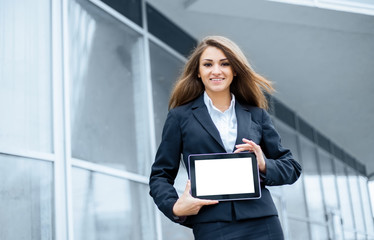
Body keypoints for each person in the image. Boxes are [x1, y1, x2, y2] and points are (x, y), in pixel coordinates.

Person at [149, 36, 302, 240]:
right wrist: (175, 207)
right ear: (198, 71)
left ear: (235, 70)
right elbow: (160, 175)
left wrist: (264, 164)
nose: (216, 71)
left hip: (263, 223)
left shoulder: (257, 115)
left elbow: (292, 167)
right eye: (208, 64)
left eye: (225, 64)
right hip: (212, 226)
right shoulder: (180, 117)